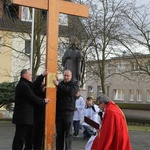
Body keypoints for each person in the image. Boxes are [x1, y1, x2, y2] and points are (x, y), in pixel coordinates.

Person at [12, 69, 50, 150]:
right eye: (29, 75)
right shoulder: (23, 86)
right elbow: (32, 97)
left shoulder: (25, 84)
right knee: (19, 138)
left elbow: (34, 86)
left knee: (20, 138)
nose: (30, 76)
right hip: (23, 117)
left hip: (23, 117)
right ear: (25, 75)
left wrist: (42, 76)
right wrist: (43, 100)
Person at [53, 69, 79, 150]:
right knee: (59, 133)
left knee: (68, 133)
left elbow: (70, 92)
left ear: (71, 76)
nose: (66, 77)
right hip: (59, 111)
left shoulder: (74, 84)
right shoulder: (60, 84)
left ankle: (68, 148)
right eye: (65, 75)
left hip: (69, 111)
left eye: (68, 76)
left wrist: (59, 85)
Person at [24, 70, 47, 150]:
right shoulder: (32, 89)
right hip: (32, 118)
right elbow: (35, 86)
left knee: (39, 139)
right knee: (30, 138)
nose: (42, 83)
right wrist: (42, 76)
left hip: (41, 118)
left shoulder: (43, 91)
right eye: (41, 82)